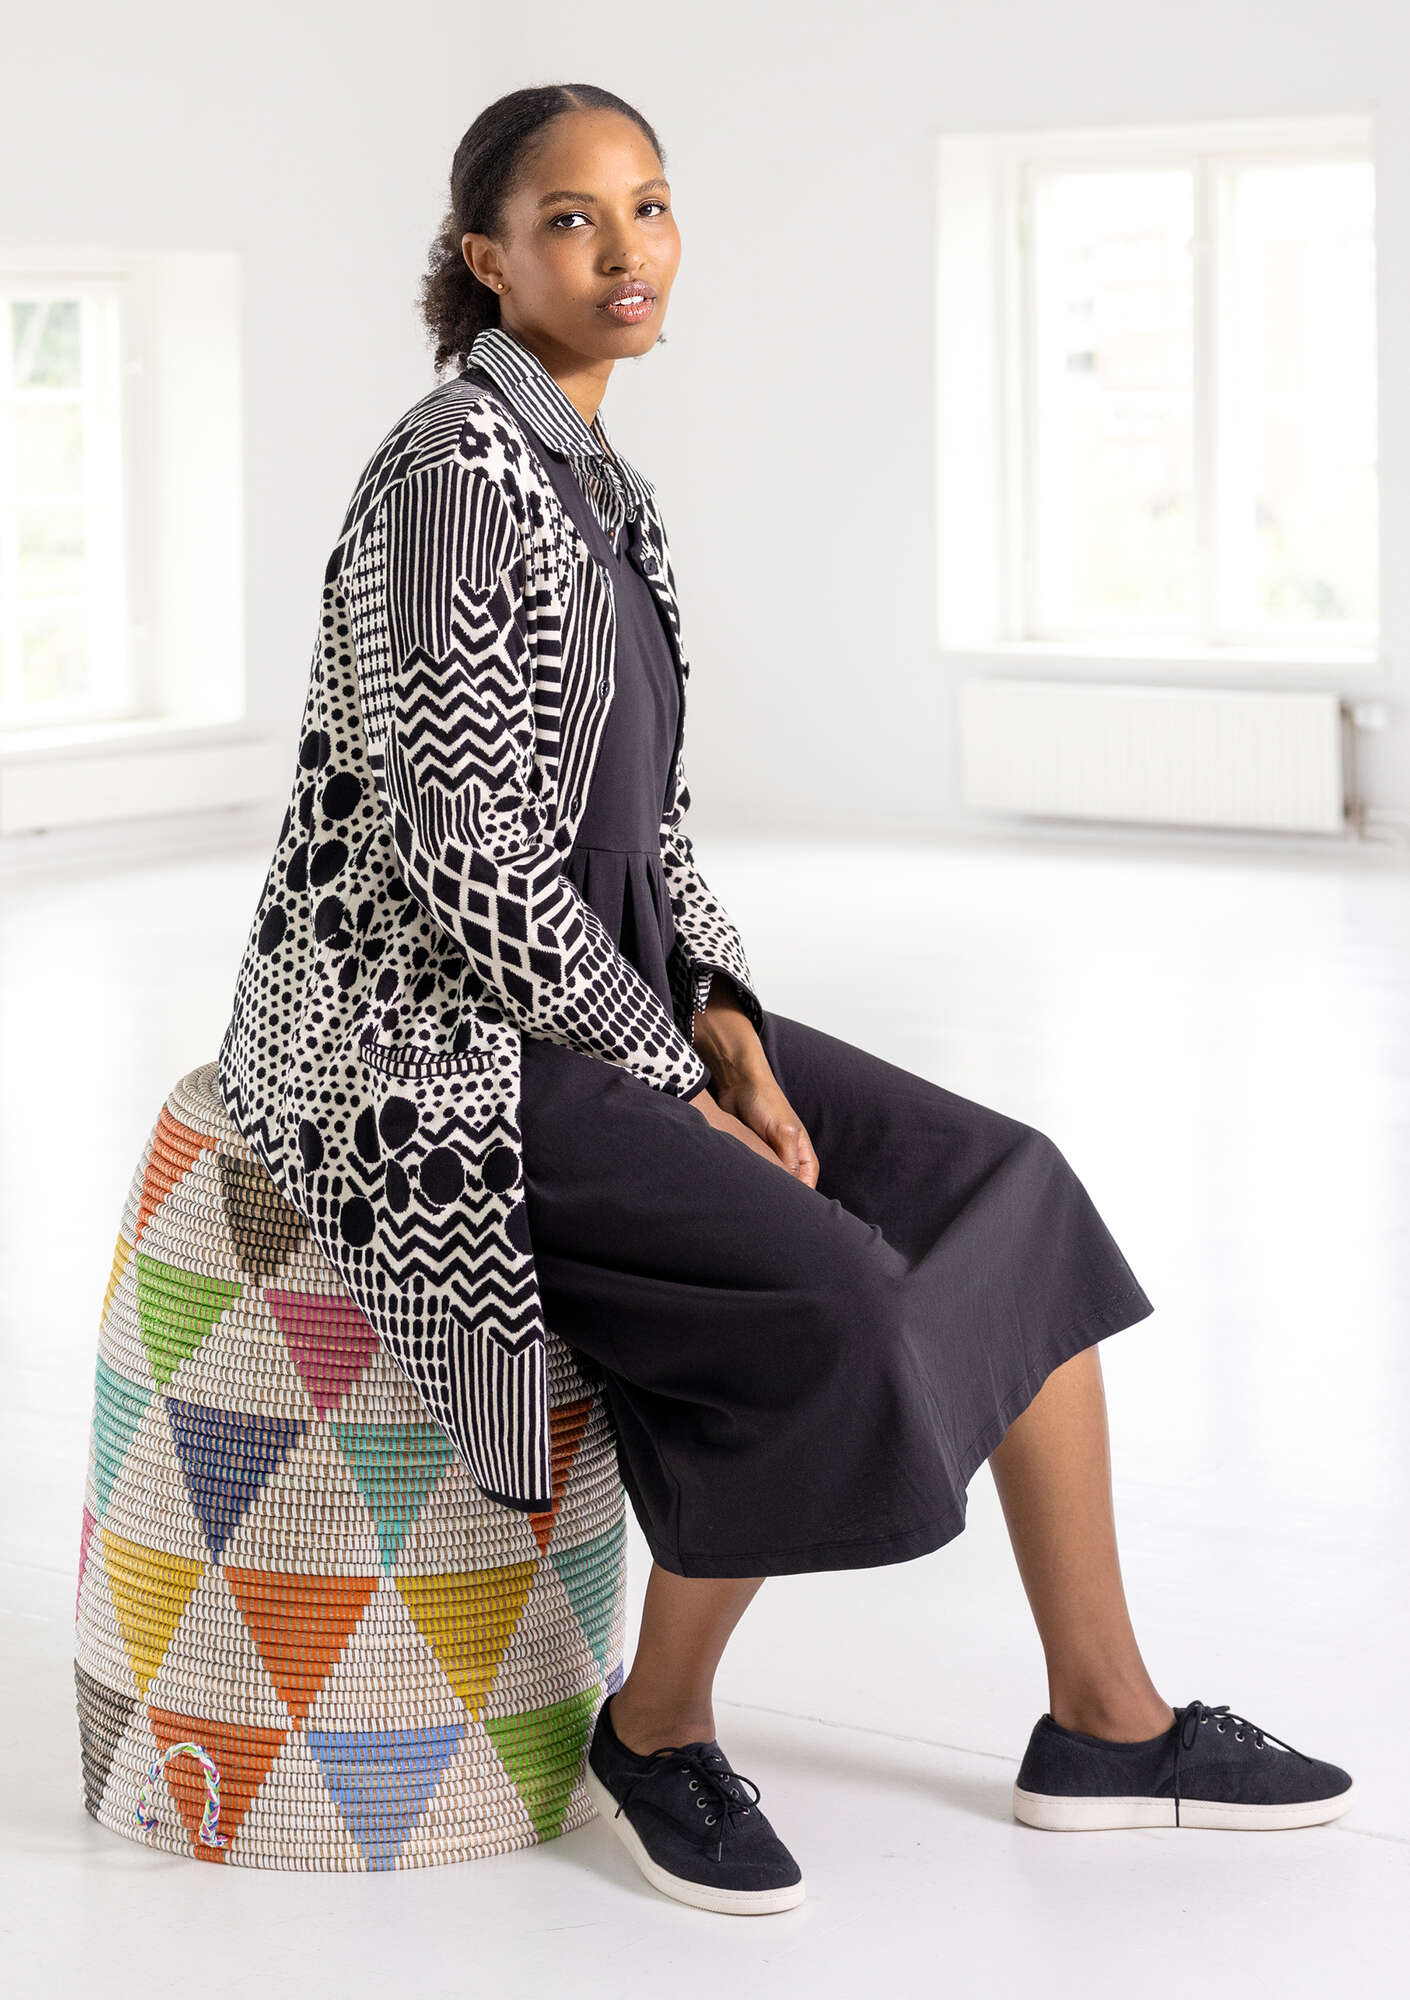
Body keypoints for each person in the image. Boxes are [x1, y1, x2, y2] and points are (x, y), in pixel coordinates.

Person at [220, 83, 1354, 1920]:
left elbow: (651, 828)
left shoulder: (605, 484)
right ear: (483, 259)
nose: (626, 250)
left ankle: (1107, 1722)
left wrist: (728, 1029)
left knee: (1005, 1180)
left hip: (606, 987)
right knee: (828, 1282)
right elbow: (462, 856)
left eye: (649, 205)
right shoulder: (450, 473)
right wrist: (669, 1078)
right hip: (426, 1032)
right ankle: (656, 1727)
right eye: (572, 218)